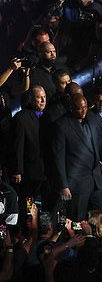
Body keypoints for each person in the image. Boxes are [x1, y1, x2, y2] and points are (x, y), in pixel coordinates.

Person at [52, 94, 102, 221]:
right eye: (79, 108)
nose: (83, 111)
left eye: (85, 107)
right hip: (77, 185)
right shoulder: (62, 125)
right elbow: (58, 158)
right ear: (71, 108)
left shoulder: (93, 118)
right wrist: (64, 185)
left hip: (96, 180)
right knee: (78, 220)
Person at [10, 86, 48, 220]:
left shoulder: (49, 115)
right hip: (30, 172)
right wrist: (18, 170)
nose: (43, 100)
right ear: (32, 99)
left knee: (46, 207)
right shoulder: (21, 118)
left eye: (44, 96)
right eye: (39, 97)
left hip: (48, 171)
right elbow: (18, 146)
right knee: (27, 205)